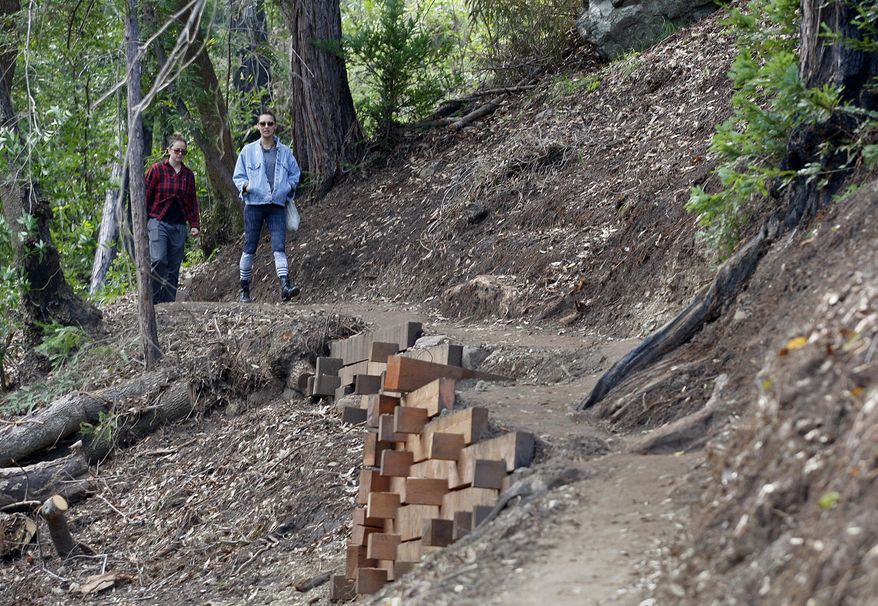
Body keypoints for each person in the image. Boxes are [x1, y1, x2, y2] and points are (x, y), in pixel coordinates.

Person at [232, 110, 301, 302]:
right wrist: (246, 186)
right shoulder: (248, 151)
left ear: (275, 126)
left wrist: (287, 187)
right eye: (262, 124)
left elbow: (295, 174)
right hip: (254, 204)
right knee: (250, 247)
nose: (266, 127)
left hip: (277, 205)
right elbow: (238, 176)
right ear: (258, 127)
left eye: (270, 123)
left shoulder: (285, 152)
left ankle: (285, 286)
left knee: (279, 246)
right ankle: (244, 289)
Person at [145, 133, 200, 304]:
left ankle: (168, 303)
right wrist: (140, 222)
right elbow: (144, 196)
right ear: (169, 150)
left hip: (178, 225)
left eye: (183, 152)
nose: (180, 154)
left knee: (174, 266)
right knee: (158, 259)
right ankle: (153, 300)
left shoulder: (188, 175)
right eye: (177, 150)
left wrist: (194, 224)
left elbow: (191, 201)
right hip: (157, 221)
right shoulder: (156, 170)